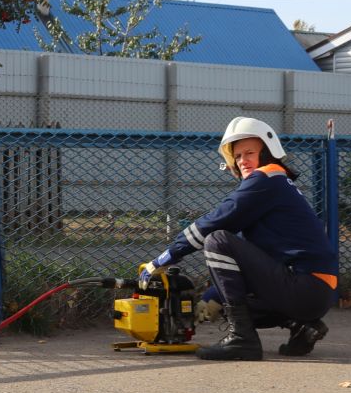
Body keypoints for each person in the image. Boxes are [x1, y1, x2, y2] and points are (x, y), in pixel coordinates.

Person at [142, 117, 338, 362]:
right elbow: (257, 264)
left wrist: (166, 257)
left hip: (304, 287)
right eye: (237, 156)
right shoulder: (276, 184)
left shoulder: (266, 179)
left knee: (217, 240)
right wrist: (213, 297)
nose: (242, 161)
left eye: (249, 153)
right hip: (315, 294)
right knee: (226, 301)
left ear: (267, 153)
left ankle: (243, 341)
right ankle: (303, 327)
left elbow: (214, 221)